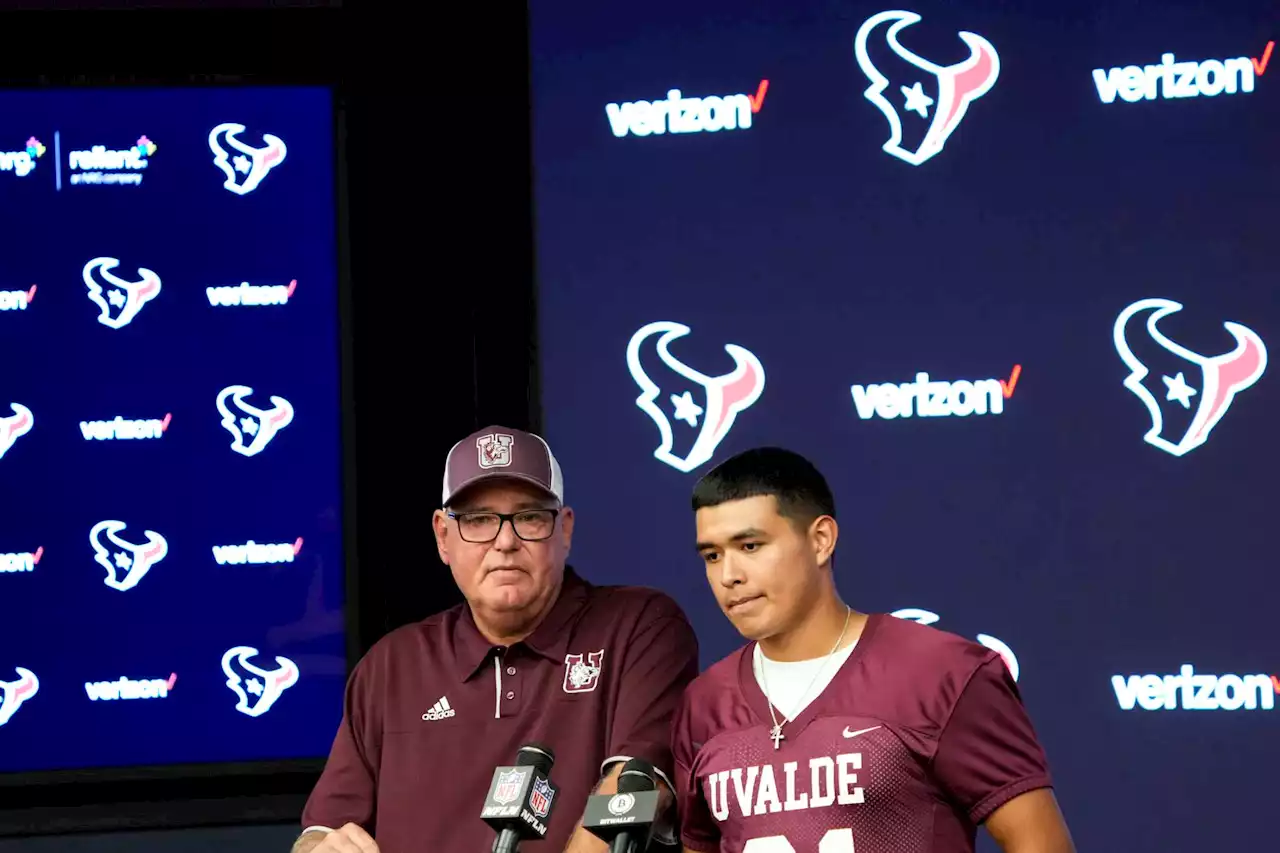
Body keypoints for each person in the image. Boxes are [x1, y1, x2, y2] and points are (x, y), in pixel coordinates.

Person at [295, 425, 699, 853]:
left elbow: (633, 789)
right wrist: (322, 846)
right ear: (442, 536)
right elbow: (320, 832)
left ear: (564, 530)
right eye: (478, 519)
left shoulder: (638, 625)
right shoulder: (391, 665)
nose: (505, 541)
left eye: (529, 517)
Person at [671, 447, 1075, 853]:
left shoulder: (942, 672)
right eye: (712, 555)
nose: (728, 576)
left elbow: (1040, 842)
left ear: (821, 540)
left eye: (751, 546)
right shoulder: (704, 703)